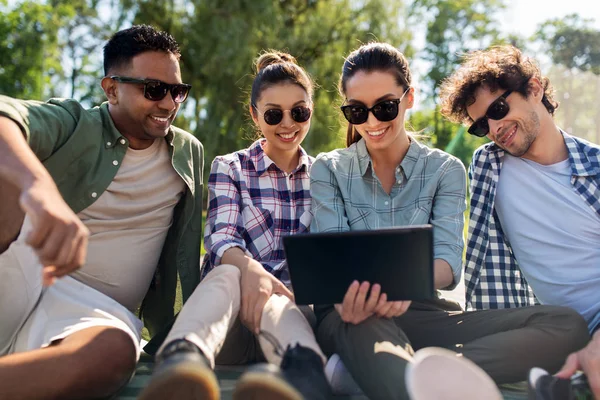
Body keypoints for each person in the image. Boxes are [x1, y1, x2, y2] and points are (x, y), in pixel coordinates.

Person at [309, 42, 590, 400]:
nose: (373, 122)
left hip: (425, 313)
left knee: (567, 326)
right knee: (364, 323)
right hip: (350, 313)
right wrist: (367, 293)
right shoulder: (328, 169)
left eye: (385, 107)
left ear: (409, 98)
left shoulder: (445, 169)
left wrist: (398, 284)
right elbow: (332, 262)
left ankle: (400, 373)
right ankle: (413, 380)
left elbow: (446, 264)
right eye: (358, 111)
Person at [0, 25, 203, 400]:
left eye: (178, 91)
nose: (168, 104)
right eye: (154, 90)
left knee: (115, 352)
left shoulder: (187, 154)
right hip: (24, 277)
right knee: (7, 181)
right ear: (111, 89)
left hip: (94, 316)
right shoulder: (74, 122)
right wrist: (40, 190)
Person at [138, 51, 331, 400]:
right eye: (274, 114)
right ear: (255, 115)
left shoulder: (324, 177)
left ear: (311, 112)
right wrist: (252, 272)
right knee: (227, 272)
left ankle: (305, 378)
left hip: (290, 323)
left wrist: (269, 284)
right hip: (225, 326)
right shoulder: (231, 167)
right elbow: (222, 239)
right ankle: (182, 365)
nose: (287, 123)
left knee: (277, 297)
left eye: (299, 112)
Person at [438, 44, 600, 399]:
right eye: (482, 125)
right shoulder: (489, 166)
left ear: (535, 88)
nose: (495, 127)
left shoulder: (597, 168)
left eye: (498, 108)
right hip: (548, 330)